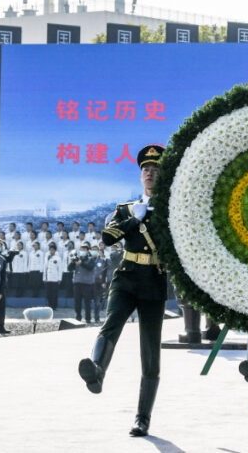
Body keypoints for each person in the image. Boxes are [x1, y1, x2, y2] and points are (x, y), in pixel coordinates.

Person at [78, 144, 168, 437]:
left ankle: (143, 417)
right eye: (145, 169)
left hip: (153, 280)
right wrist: (135, 218)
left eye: (155, 169)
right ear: (140, 175)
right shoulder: (126, 208)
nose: (150, 173)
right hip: (127, 277)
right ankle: (96, 370)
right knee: (110, 324)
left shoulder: (171, 210)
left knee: (150, 350)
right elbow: (107, 237)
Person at [43, 243, 63, 310]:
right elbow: (45, 268)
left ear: (55, 251)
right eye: (50, 250)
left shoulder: (58, 258)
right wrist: (44, 277)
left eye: (53, 250)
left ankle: (54, 306)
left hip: (55, 278)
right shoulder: (47, 257)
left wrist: (59, 278)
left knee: (54, 293)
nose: (51, 251)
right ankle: (49, 305)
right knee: (48, 293)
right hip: (48, 278)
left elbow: (60, 269)